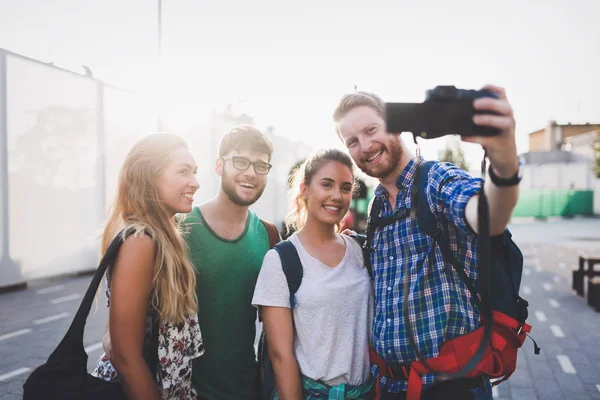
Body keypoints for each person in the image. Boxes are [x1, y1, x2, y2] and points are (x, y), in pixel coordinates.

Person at [333, 86, 521, 399]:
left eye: (371, 130)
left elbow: (488, 217)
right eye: (352, 141)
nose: (365, 146)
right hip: (391, 386)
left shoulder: (436, 180)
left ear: (395, 126)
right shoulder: (378, 206)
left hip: (450, 388)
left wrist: (504, 167)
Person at [252, 148, 375, 399]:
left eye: (345, 188)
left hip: (367, 392)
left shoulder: (362, 251)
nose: (336, 196)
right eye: (326, 184)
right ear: (305, 190)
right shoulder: (282, 260)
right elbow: (280, 356)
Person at [92, 133, 204, 400]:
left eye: (195, 172)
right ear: (149, 177)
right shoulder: (141, 241)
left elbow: (116, 337)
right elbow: (124, 355)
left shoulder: (163, 236)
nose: (195, 183)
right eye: (183, 172)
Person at [183, 125, 280, 400]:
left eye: (261, 165)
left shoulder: (270, 235)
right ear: (218, 165)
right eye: (240, 161)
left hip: (248, 390)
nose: (250, 172)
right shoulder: (181, 228)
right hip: (186, 391)